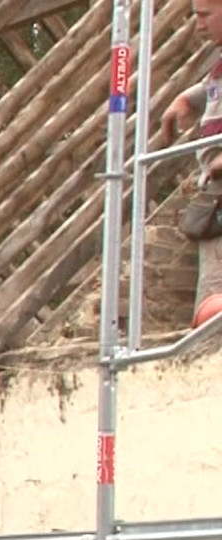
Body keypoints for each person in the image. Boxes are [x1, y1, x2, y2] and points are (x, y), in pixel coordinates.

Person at [160, 0, 222, 313]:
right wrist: (183, 101)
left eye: (205, 15)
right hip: (216, 193)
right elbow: (212, 90)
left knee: (213, 307)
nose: (198, 25)